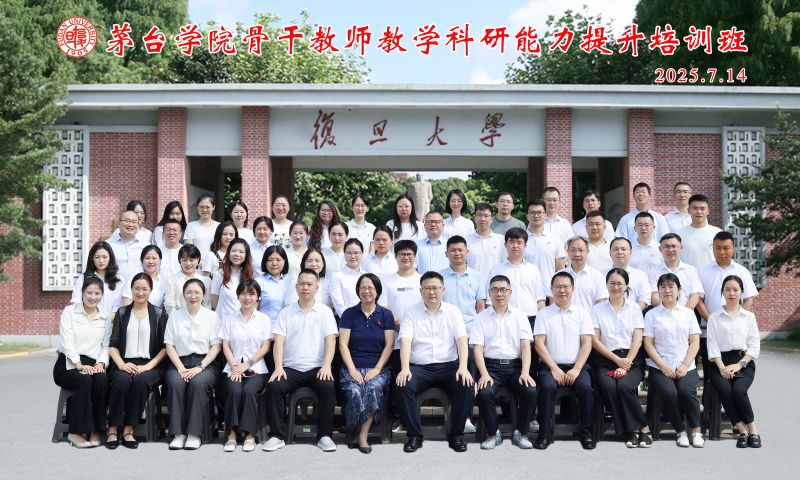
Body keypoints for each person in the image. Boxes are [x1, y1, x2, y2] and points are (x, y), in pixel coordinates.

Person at [396, 271, 474, 453]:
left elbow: (462, 340)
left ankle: (457, 435)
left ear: (443, 290)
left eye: (435, 288)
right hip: (419, 368)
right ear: (420, 291)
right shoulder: (411, 313)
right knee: (403, 384)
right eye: (427, 288)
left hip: (448, 366)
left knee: (466, 384)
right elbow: (405, 341)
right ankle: (414, 436)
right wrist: (405, 368)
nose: (431, 292)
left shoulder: (453, 311)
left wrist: (463, 367)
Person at [263, 269, 339, 452]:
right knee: (274, 386)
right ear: (296, 287)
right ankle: (276, 435)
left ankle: (325, 435)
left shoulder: (325, 312)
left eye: (309, 284)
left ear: (316, 288)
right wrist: (278, 367)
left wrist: (327, 366)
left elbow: (331, 340)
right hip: (290, 368)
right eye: (302, 284)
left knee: (328, 386)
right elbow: (278, 342)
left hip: (317, 367)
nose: (305, 287)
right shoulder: (286, 312)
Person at [470, 275, 537, 450]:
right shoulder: (481, 318)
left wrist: (525, 372)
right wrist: (484, 374)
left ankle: (520, 433)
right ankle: (494, 434)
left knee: (530, 391)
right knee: (484, 392)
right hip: (491, 368)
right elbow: (477, 349)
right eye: (495, 290)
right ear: (489, 292)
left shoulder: (520, 316)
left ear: (510, 292)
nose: (499, 294)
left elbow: (526, 347)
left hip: (515, 367)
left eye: (503, 290)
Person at [533, 272, 596, 450]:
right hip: (550, 366)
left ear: (573, 289)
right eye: (558, 287)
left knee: (586, 388)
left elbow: (587, 344)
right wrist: (554, 368)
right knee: (547, 388)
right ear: (551, 290)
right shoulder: (543, 314)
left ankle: (586, 434)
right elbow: (539, 344)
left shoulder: (582, 313)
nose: (562, 290)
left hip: (577, 366)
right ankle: (544, 435)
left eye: (566, 286)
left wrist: (576, 369)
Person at [590, 268, 652, 448]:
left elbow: (637, 340)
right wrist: (617, 361)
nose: (615, 287)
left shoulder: (634, 308)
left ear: (626, 286)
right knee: (608, 386)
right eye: (612, 283)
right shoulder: (597, 309)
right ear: (606, 285)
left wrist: (625, 364)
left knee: (624, 387)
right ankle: (641, 428)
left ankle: (632, 431)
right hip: (605, 359)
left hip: (631, 359)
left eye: (619, 284)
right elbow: (595, 340)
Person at [107, 273, 168, 449]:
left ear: (150, 290)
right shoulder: (122, 313)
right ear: (131, 290)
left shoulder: (158, 314)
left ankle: (128, 429)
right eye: (137, 289)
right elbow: (113, 345)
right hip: (124, 362)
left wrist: (147, 366)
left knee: (141, 381)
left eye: (144, 289)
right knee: (122, 381)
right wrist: (121, 364)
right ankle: (113, 428)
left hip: (151, 364)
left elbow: (165, 347)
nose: (140, 293)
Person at [643, 273, 703, 448]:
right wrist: (663, 366)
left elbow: (695, 342)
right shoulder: (651, 315)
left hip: (686, 365)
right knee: (669, 393)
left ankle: (696, 431)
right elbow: (648, 344)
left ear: (679, 290)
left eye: (671, 286)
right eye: (663, 287)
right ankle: (680, 431)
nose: (667, 290)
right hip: (659, 366)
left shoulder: (688, 314)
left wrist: (685, 365)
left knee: (686, 392)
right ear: (658, 291)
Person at [338, 273, 396, 454]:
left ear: (377, 291)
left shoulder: (385, 314)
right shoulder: (349, 314)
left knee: (372, 388)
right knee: (355, 390)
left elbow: (389, 345)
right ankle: (352, 429)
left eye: (370, 287)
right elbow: (343, 344)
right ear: (357, 290)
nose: (366, 291)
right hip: (352, 366)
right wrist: (352, 369)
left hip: (378, 367)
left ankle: (362, 436)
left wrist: (377, 368)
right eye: (362, 287)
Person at [54, 276, 112, 448]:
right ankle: (75, 432)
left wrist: (101, 363)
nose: (93, 297)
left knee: (102, 379)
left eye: (97, 293)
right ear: (82, 293)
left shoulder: (105, 318)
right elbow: (67, 341)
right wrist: (78, 364)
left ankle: (97, 430)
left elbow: (106, 345)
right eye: (89, 293)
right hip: (68, 363)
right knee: (84, 380)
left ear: (102, 295)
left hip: (93, 363)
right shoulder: (70, 312)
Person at [163, 278, 222, 450]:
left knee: (198, 383)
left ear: (204, 295)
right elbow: (169, 345)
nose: (193, 296)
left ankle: (194, 434)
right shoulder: (175, 316)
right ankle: (178, 433)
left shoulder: (212, 316)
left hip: (206, 363)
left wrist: (200, 367)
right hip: (179, 362)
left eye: (197, 292)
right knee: (175, 382)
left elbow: (216, 346)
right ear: (183, 295)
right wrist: (180, 368)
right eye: (189, 292)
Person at [706, 275, 761, 448]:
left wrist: (739, 365)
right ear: (722, 292)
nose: (731, 293)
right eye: (728, 289)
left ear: (741, 292)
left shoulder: (749, 317)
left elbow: (754, 346)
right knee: (725, 390)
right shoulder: (714, 317)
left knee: (738, 391)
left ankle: (753, 430)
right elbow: (712, 345)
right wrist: (723, 368)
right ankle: (742, 431)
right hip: (719, 363)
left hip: (743, 362)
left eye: (735, 290)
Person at [220, 279, 273, 453]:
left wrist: (247, 364)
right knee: (234, 390)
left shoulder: (264, 319)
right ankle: (232, 434)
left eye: (251, 294)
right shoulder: (230, 318)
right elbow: (226, 346)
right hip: (233, 366)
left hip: (256, 367)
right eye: (243, 293)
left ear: (258, 297)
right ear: (238, 296)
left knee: (249, 391)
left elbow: (265, 347)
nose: (247, 297)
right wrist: (235, 366)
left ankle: (250, 435)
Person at [382, 240, 422, 428]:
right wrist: (397, 323)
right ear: (395, 256)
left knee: (414, 379)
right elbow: (383, 307)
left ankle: (413, 417)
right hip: (395, 338)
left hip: (419, 339)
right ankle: (398, 417)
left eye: (409, 254)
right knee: (397, 379)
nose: (406, 257)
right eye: (402, 254)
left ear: (415, 256)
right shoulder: (387, 281)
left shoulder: (421, 280)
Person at [487, 228, 547, 329]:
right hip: (504, 319)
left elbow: (540, 299)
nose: (515, 246)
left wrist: (542, 323)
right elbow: (490, 300)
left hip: (531, 318)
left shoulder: (533, 270)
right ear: (505, 245)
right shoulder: (496, 270)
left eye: (519, 242)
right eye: (512, 242)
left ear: (525, 245)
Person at [440, 235, 486, 335]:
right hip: (446, 330)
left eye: (460, 250)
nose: (457, 253)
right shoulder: (439, 277)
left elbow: (480, 306)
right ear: (446, 254)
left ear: (467, 252)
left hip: (471, 330)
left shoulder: (477, 276)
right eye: (453, 250)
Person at [523, 200, 567, 294]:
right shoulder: (521, 240)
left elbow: (560, 270)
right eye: (532, 213)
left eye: (539, 212)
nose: (536, 215)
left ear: (545, 214)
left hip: (549, 292)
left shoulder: (555, 239)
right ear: (527, 216)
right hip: (526, 291)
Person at [649, 233, 703, 308]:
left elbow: (695, 296)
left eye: (673, 246)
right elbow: (654, 297)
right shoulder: (653, 272)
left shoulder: (691, 270)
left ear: (681, 248)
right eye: (666, 246)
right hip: (662, 314)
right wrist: (668, 312)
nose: (670, 250)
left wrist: (682, 313)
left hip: (686, 313)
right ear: (660, 249)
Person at [71, 241, 124, 316]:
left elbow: (118, 306)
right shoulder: (83, 278)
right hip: (87, 320)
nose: (101, 261)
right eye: (97, 257)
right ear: (92, 258)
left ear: (110, 258)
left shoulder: (118, 280)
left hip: (111, 320)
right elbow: (76, 301)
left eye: (104, 257)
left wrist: (109, 319)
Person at [558, 236, 607, 310]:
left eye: (581, 250)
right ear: (568, 252)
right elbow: (553, 302)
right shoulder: (558, 276)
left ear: (587, 252)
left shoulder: (597, 276)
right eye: (573, 250)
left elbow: (601, 304)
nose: (577, 254)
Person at [211, 238, 255, 320]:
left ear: (246, 255)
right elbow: (214, 301)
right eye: (234, 251)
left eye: (241, 252)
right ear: (228, 252)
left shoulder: (250, 275)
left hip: (242, 321)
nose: (237, 254)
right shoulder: (219, 273)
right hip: (223, 320)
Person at [676, 194, 722, 269]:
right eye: (695, 208)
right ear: (689, 210)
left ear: (708, 211)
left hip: (712, 275)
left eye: (702, 208)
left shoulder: (718, 233)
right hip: (687, 276)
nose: (699, 212)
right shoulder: (679, 234)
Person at [164, 244, 212, 316]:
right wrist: (176, 319)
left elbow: (207, 305)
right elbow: (169, 305)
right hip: (179, 319)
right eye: (184, 260)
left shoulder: (206, 281)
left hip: (200, 319)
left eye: (191, 260)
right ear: (180, 261)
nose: (188, 263)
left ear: (198, 260)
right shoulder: (172, 280)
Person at [609, 237, 651, 310]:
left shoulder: (641, 275)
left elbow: (644, 300)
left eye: (623, 249)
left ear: (630, 253)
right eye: (616, 249)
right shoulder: (601, 275)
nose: (620, 252)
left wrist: (630, 313)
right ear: (610, 253)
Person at [466, 203, 505, 281]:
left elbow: (505, 263)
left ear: (492, 218)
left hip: (495, 285)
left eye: (486, 216)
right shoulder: (466, 240)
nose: (482, 219)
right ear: (474, 218)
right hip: (472, 284)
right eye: (479, 215)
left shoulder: (501, 240)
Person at [330, 238, 366, 317]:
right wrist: (352, 320)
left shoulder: (367, 276)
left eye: (356, 253)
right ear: (344, 254)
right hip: (346, 320)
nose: (353, 256)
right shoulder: (337, 277)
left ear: (362, 254)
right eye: (349, 253)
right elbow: (339, 305)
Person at [184, 194, 221, 270]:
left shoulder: (219, 226)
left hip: (216, 268)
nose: (204, 210)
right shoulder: (191, 226)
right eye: (201, 207)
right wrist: (200, 263)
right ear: (197, 207)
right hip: (196, 268)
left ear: (213, 207)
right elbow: (188, 248)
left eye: (207, 207)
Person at [109, 209, 146, 282]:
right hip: (114, 287)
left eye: (134, 222)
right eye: (127, 221)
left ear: (138, 225)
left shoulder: (145, 245)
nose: (130, 225)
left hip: (138, 288)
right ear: (119, 223)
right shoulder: (108, 245)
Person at [255, 245, 291, 321]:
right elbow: (253, 308)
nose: (274, 263)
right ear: (265, 262)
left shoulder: (291, 281)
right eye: (270, 260)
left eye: (278, 260)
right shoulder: (259, 282)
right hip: (265, 325)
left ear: (284, 261)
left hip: (287, 326)